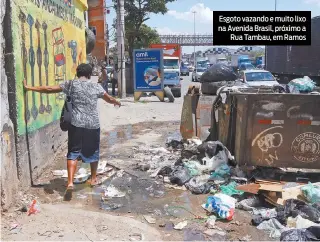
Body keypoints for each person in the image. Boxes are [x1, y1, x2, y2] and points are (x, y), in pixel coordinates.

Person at [23, 63, 121, 200]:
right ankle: (93, 179)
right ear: (89, 74)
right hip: (92, 125)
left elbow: (50, 88)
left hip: (76, 124)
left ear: (77, 73)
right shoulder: (95, 86)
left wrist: (30, 88)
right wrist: (116, 102)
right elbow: (109, 99)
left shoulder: (71, 84)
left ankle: (69, 182)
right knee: (93, 151)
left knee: (73, 152)